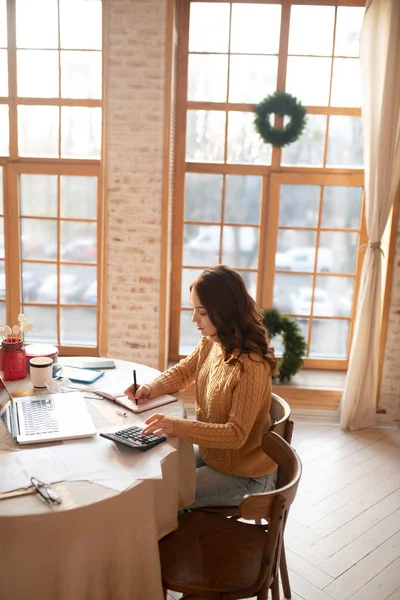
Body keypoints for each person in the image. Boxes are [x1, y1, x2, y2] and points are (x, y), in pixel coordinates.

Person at [124, 265, 278, 508]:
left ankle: (176, 543)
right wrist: (150, 387)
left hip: (245, 476)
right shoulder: (214, 341)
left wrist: (176, 425)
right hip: (213, 457)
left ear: (225, 312)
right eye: (194, 310)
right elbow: (186, 370)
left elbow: (236, 435)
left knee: (159, 497)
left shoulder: (252, 366)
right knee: (152, 476)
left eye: (202, 312)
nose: (194, 319)